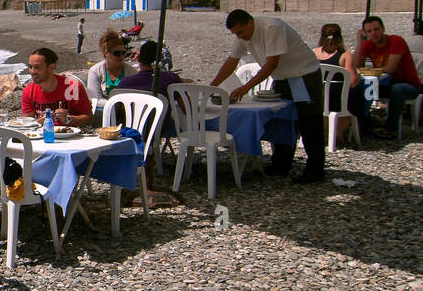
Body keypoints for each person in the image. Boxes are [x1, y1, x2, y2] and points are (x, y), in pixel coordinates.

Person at [210, 9, 324, 183]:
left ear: (250, 22)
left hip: (304, 75)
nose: (239, 36)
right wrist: (212, 86)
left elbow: (271, 63)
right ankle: (281, 164)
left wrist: (245, 87)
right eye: (235, 34)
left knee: (309, 123)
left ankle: (315, 170)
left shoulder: (272, 27)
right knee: (282, 121)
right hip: (282, 78)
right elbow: (231, 61)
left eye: (240, 32)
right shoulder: (242, 37)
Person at [353, 15, 421, 138]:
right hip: (384, 84)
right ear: (365, 33)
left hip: (409, 85)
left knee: (397, 89)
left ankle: (391, 129)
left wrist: (371, 70)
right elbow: (357, 66)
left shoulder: (396, 41)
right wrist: (360, 43)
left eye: (376, 29)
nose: (374, 33)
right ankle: (366, 124)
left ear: (383, 29)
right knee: (358, 88)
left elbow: (390, 69)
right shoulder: (368, 44)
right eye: (369, 31)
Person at [312, 23, 367, 143]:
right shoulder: (345, 56)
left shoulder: (312, 53)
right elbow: (352, 82)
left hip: (317, 100)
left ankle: (325, 131)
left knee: (327, 96)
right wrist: (358, 75)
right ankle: (338, 132)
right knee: (357, 95)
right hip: (338, 102)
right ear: (340, 38)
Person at [22, 47, 94, 126]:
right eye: (30, 67)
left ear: (52, 67)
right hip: (44, 135)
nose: (32, 71)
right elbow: (27, 125)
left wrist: (69, 119)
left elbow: (89, 119)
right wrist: (42, 121)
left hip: (71, 136)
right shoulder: (28, 91)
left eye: (36, 67)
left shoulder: (72, 87)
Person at [115, 40, 183, 96]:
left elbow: (115, 109)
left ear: (138, 58)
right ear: (160, 59)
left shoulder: (125, 83)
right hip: (163, 112)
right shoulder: (171, 79)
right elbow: (186, 107)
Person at [86, 29, 133, 103]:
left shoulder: (131, 71)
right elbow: (94, 99)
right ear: (106, 53)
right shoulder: (95, 71)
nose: (121, 56)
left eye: (124, 53)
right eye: (117, 53)